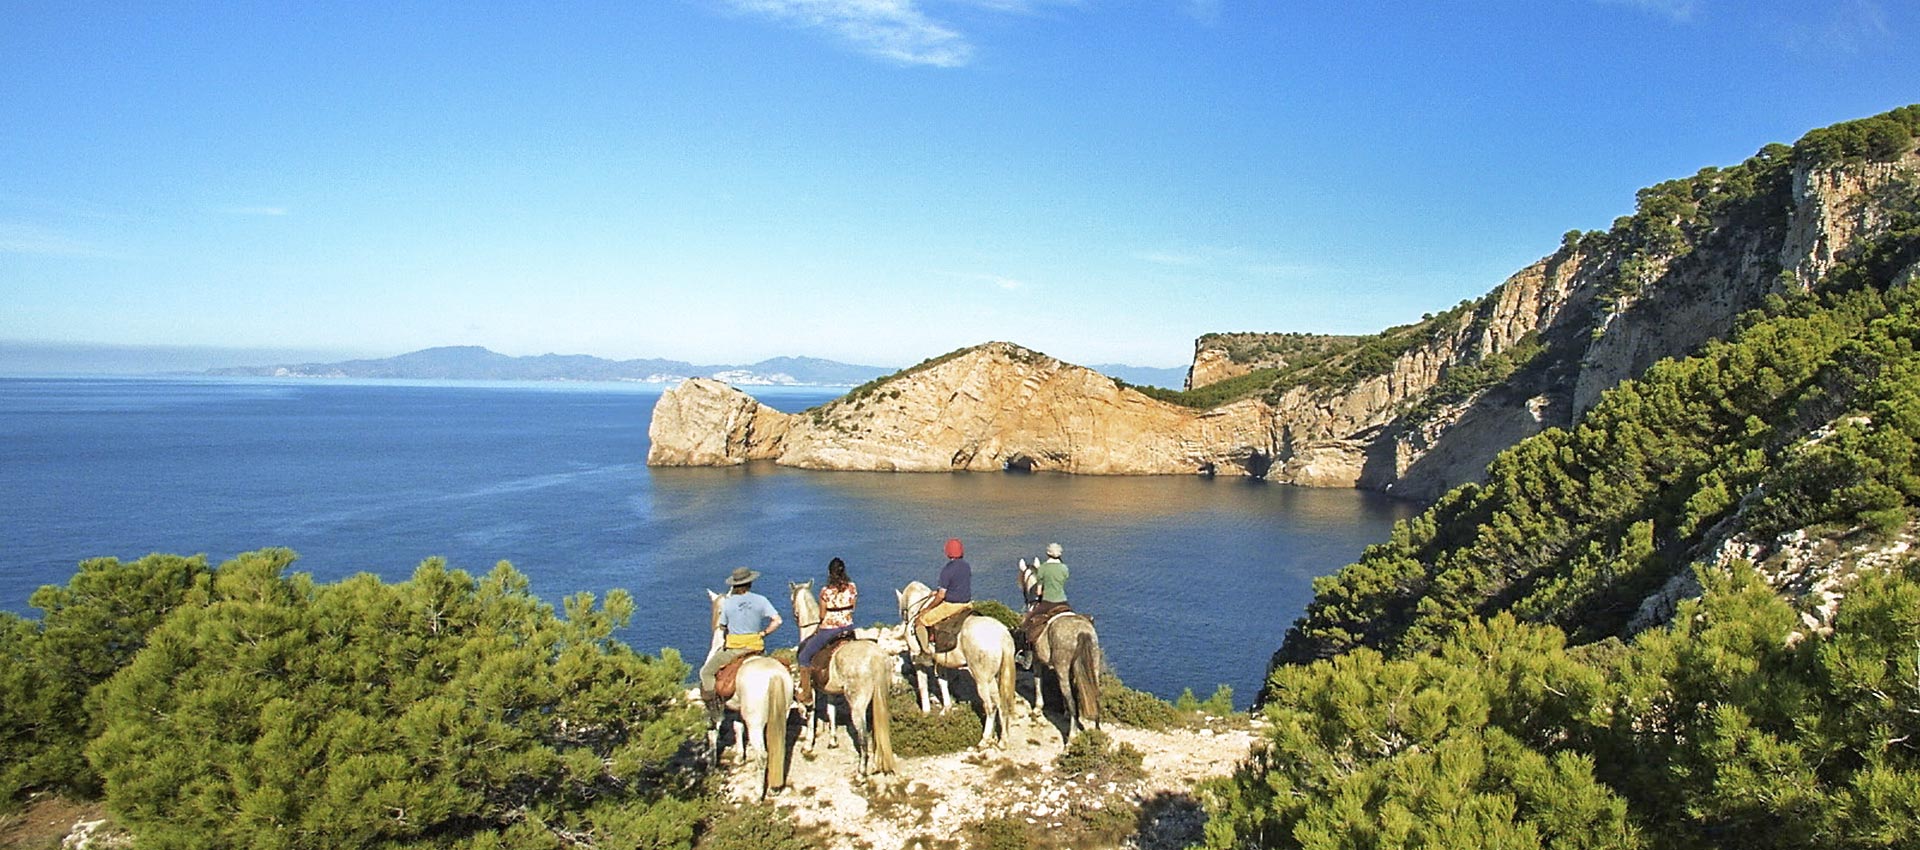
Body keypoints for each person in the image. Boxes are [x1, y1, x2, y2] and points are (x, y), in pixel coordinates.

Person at [699, 566, 783, 722]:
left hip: (734, 650)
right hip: (756, 648)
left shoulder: (728, 604)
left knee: (706, 673)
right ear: (750, 583)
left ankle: (715, 712)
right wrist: (764, 633)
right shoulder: (761, 600)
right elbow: (778, 620)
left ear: (734, 585)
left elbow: (722, 626)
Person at [795, 557, 858, 702]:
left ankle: (806, 694)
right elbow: (853, 607)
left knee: (804, 656)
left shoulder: (826, 591)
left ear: (830, 573)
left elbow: (822, 614)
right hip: (848, 628)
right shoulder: (852, 587)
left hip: (829, 630)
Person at [913, 537, 973, 661]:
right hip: (967, 604)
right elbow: (958, 585)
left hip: (952, 606)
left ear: (948, 552)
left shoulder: (947, 570)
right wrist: (937, 592)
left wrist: (927, 609)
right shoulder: (966, 566)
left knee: (920, 621)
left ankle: (925, 654)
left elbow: (941, 596)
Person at [1017, 542, 1071, 666]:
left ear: (1048, 553)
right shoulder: (1064, 568)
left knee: (1026, 624)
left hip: (1047, 602)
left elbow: (1039, 591)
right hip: (1063, 601)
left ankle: (1027, 659)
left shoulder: (1043, 568)